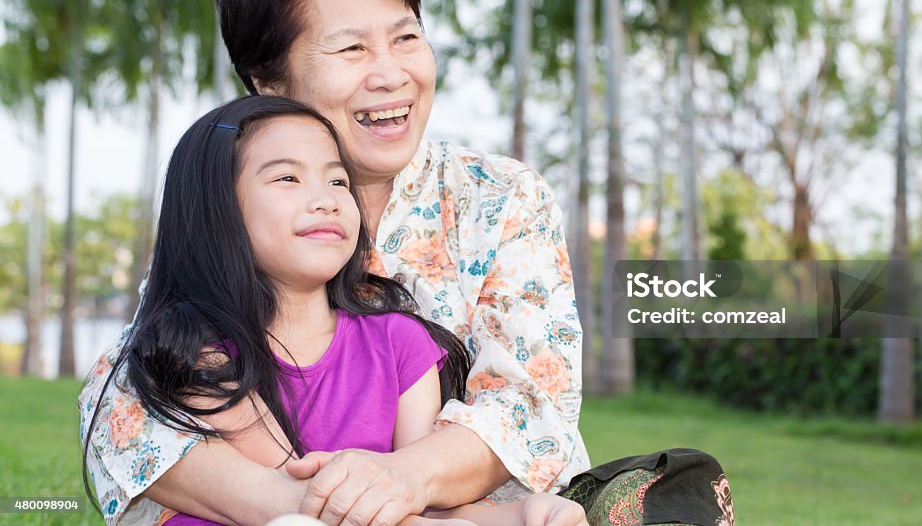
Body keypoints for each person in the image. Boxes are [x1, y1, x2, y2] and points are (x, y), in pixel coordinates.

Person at [79, 0, 589, 526]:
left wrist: (398, 479)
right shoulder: (229, 201)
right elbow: (128, 400)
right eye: (350, 48)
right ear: (267, 81)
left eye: (406, 37)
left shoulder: (502, 196)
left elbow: (531, 405)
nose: (391, 73)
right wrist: (315, 508)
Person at [81, 94, 587, 526]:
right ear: (216, 210)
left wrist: (525, 515)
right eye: (287, 179)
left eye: (337, 182)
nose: (325, 200)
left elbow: (415, 507)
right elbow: (306, 504)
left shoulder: (401, 343)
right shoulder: (200, 353)